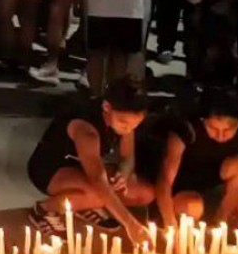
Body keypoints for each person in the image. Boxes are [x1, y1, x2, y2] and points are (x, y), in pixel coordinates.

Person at [26, 77, 154, 243]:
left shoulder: (124, 120)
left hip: (83, 165)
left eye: (134, 126)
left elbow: (127, 157)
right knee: (101, 195)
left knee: (144, 192)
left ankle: (82, 203)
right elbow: (98, 181)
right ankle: (44, 210)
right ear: (107, 107)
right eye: (124, 123)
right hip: (50, 169)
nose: (128, 130)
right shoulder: (86, 129)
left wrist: (123, 174)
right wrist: (131, 225)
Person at [150, 87, 238, 228]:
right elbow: (164, 179)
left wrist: (236, 202)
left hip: (208, 179)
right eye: (213, 128)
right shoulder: (187, 128)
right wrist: (170, 222)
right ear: (202, 120)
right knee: (192, 207)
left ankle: (221, 221)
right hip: (178, 184)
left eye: (228, 130)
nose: (221, 135)